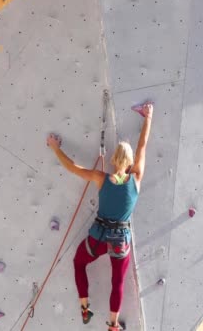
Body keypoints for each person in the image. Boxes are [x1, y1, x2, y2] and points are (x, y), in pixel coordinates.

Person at [46, 102, 153, 331]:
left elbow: (73, 168)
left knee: (79, 262)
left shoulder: (101, 178)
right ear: (130, 161)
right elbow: (142, 146)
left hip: (99, 237)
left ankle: (85, 307)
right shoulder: (136, 179)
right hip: (120, 241)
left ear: (114, 159)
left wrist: (56, 148)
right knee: (118, 282)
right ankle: (113, 325)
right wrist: (148, 117)